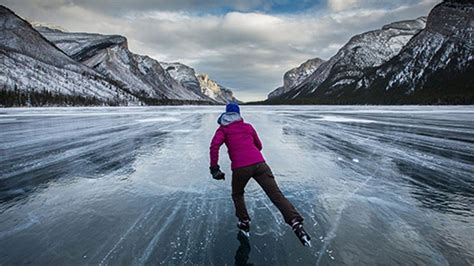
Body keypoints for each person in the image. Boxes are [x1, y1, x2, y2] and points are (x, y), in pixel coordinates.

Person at [209, 102, 311, 246]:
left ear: (226, 114)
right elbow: (259, 146)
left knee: (237, 194)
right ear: (238, 114)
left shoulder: (223, 130)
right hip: (260, 164)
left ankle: (244, 221)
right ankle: (296, 223)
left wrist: (214, 168)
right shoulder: (248, 126)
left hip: (240, 168)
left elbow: (214, 146)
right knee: (276, 194)